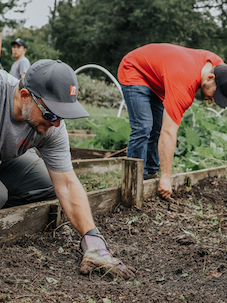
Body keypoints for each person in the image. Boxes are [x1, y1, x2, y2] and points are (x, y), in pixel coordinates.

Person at [0, 59, 136, 278]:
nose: (56, 124)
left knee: (45, 186)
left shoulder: (53, 126)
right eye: (52, 114)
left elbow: (67, 183)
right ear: (25, 96)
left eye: (62, 116)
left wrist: (94, 242)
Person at [118, 43, 227, 199]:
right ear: (209, 78)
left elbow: (224, 73)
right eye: (216, 94)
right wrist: (167, 177)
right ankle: (133, 182)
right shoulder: (183, 86)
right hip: (135, 69)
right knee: (143, 127)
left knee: (156, 128)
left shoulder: (216, 64)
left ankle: (149, 175)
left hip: (158, 78)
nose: (214, 100)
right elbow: (168, 133)